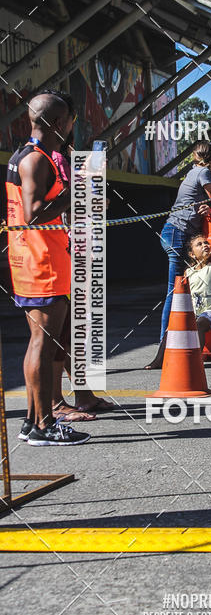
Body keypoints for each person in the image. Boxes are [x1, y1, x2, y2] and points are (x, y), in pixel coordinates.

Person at [6, 93, 89, 445]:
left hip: (33, 261)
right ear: (60, 123)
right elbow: (34, 212)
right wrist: (76, 190)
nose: (73, 125)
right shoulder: (35, 160)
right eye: (71, 119)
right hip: (42, 265)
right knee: (43, 344)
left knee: (37, 344)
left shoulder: (26, 155)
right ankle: (43, 425)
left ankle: (31, 421)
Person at [39, 89, 111, 422]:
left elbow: (82, 204)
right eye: (70, 121)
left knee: (77, 329)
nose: (71, 129)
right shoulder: (46, 160)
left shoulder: (64, 158)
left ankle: (82, 394)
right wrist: (83, 193)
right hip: (57, 255)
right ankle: (55, 403)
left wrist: (95, 197)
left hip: (77, 251)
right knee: (60, 332)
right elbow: (46, 210)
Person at [145, 140, 211, 369]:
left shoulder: (190, 173)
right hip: (178, 234)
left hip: (172, 232)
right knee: (174, 294)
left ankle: (175, 344)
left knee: (182, 292)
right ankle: (164, 349)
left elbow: (203, 202)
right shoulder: (204, 171)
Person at [184, 201, 211, 348]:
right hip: (193, 312)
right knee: (170, 330)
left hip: (210, 312)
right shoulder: (188, 272)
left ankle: (197, 359)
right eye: (200, 244)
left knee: (198, 326)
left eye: (206, 243)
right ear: (192, 254)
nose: (205, 245)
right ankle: (159, 360)